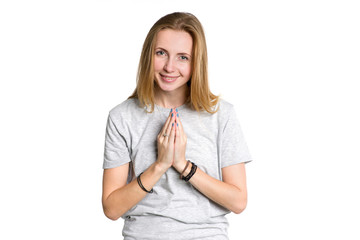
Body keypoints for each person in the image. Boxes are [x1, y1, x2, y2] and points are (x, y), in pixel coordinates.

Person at [102, 12, 252, 240]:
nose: (169, 67)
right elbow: (111, 208)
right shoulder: (122, 117)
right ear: (147, 56)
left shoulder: (221, 115)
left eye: (183, 57)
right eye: (161, 53)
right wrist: (160, 165)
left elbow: (238, 201)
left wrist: (184, 166)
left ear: (196, 63)